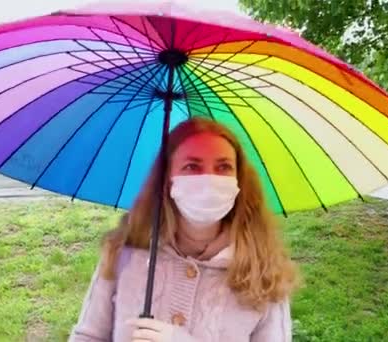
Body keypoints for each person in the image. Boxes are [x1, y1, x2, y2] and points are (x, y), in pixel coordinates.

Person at [69, 117, 299, 342]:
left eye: (223, 167)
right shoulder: (125, 251)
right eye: (192, 166)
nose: (209, 179)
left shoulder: (264, 268)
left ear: (239, 178)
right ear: (167, 178)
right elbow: (88, 336)